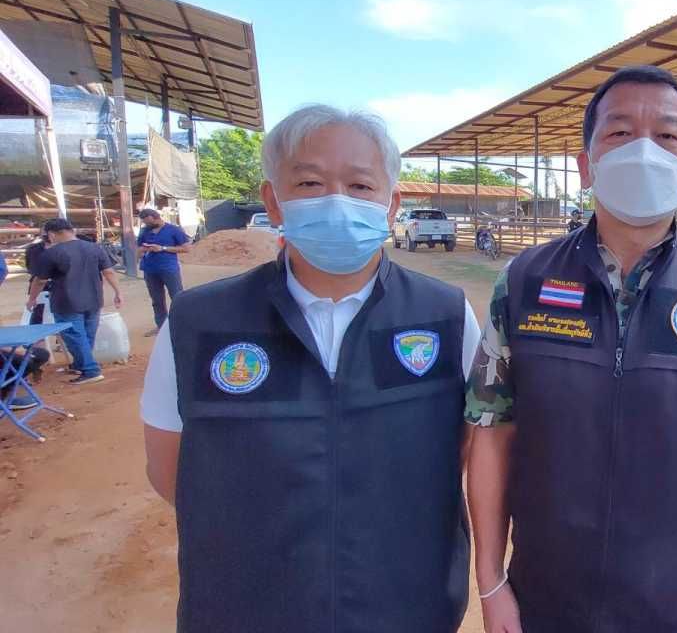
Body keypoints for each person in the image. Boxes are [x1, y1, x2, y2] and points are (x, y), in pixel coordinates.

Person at [467, 65, 677, 633]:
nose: (644, 150)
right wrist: (491, 584)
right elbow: (492, 438)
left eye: (666, 135)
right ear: (586, 165)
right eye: (619, 132)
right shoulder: (523, 283)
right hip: (546, 602)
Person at [140, 105, 481, 633]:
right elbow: (171, 472)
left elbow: (461, 452)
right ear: (273, 200)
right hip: (247, 609)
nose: (337, 202)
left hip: (405, 604)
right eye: (310, 183)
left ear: (392, 204)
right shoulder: (199, 322)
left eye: (360, 186)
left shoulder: (445, 315)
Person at [26, 218, 122, 385]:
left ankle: (90, 370)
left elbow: (40, 280)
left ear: (52, 234)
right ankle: (80, 365)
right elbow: (109, 272)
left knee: (74, 336)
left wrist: (32, 298)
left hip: (66, 301)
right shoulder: (94, 247)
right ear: (72, 230)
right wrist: (117, 292)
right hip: (94, 298)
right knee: (87, 335)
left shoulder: (52, 253)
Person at [136, 208, 191, 336]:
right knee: (157, 300)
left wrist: (163, 248)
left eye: (148, 222)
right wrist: (142, 250)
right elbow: (138, 249)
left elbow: (186, 248)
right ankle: (161, 327)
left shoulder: (174, 230)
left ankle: (182, 325)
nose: (146, 225)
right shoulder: (145, 231)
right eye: (145, 223)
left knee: (177, 297)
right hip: (150, 270)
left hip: (169, 269)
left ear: (156, 218)